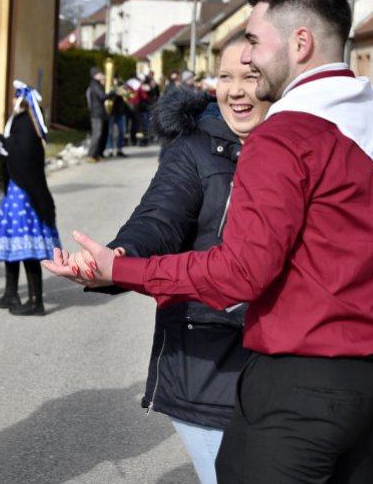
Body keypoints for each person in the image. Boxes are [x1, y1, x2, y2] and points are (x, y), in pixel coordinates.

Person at [46, 0, 373, 484]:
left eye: (254, 41)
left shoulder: (286, 135)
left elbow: (242, 271)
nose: (248, 58)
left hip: (300, 387)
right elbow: (163, 217)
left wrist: (123, 269)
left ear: (301, 43)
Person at [102, 33, 264, 483]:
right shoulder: (192, 149)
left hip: (285, 361)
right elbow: (158, 219)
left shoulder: (297, 149)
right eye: (225, 77)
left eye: (250, 77)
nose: (235, 90)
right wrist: (120, 257)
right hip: (207, 359)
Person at [0, 81, 61, 316]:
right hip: (16, 194)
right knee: (13, 247)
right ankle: (11, 293)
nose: (11, 102)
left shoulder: (25, 124)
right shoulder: (23, 123)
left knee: (28, 250)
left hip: (24, 196)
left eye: (14, 98)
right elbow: (11, 150)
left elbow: (17, 153)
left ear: (21, 102)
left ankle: (36, 302)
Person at [106, 76, 129, 157]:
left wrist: (123, 91)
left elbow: (127, 93)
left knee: (122, 131)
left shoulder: (121, 84)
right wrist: (114, 91)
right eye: (114, 79)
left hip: (120, 111)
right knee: (110, 132)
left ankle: (119, 149)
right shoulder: (107, 85)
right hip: (111, 112)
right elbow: (105, 96)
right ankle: (110, 149)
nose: (115, 80)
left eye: (116, 78)